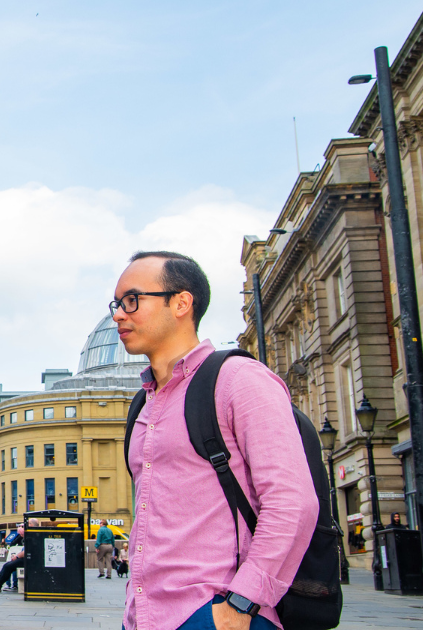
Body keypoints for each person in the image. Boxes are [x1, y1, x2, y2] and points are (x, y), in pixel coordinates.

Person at [114, 251, 318, 630]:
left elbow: (293, 502)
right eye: (117, 303)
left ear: (181, 302)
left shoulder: (239, 379)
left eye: (132, 300)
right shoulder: (142, 404)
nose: (118, 314)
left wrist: (242, 604)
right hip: (144, 616)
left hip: (215, 612)